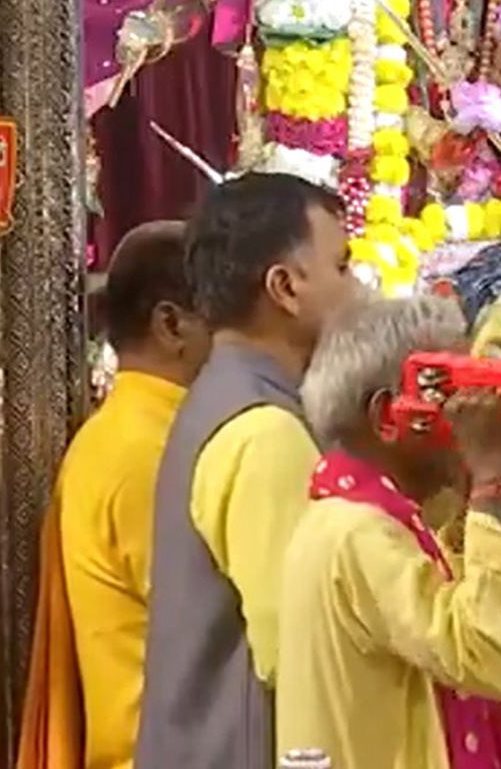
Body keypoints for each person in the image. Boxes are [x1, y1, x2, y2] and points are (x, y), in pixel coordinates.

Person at [276, 295, 501, 769]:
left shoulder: (360, 520)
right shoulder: (356, 532)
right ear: (390, 416)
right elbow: (497, 658)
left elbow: (448, 617)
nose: (470, 424)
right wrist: (494, 492)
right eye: (456, 400)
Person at [136, 173, 356, 769]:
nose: (355, 287)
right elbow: (304, 657)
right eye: (341, 266)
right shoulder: (264, 431)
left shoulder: (227, 398)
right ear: (284, 287)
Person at [16, 221, 211, 769]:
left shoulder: (144, 435)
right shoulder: (145, 452)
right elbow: (215, 640)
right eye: (233, 320)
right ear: (171, 324)